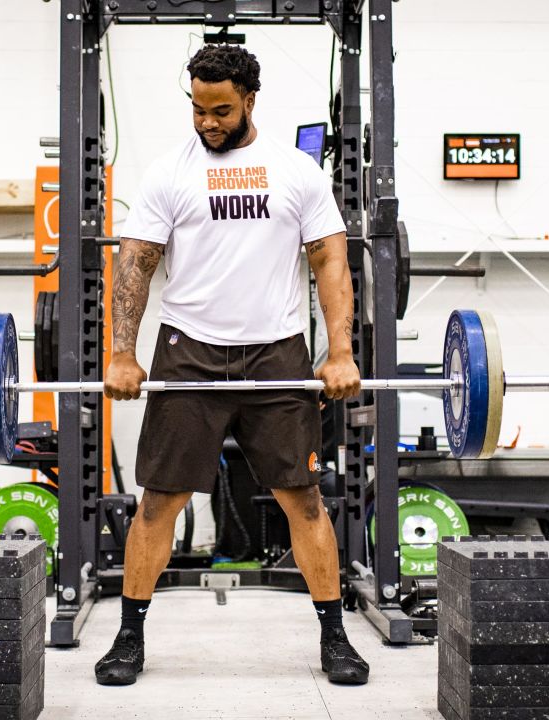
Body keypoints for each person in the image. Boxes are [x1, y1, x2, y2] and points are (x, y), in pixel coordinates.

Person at [95, 44, 369, 687]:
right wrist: (121, 353)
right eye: (198, 109)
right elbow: (134, 262)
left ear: (250, 101)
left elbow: (330, 260)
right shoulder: (169, 173)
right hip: (189, 350)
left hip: (276, 352)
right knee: (158, 502)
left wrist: (341, 350)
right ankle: (129, 636)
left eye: (221, 110)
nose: (208, 122)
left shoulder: (296, 170)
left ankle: (335, 636)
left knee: (302, 501)